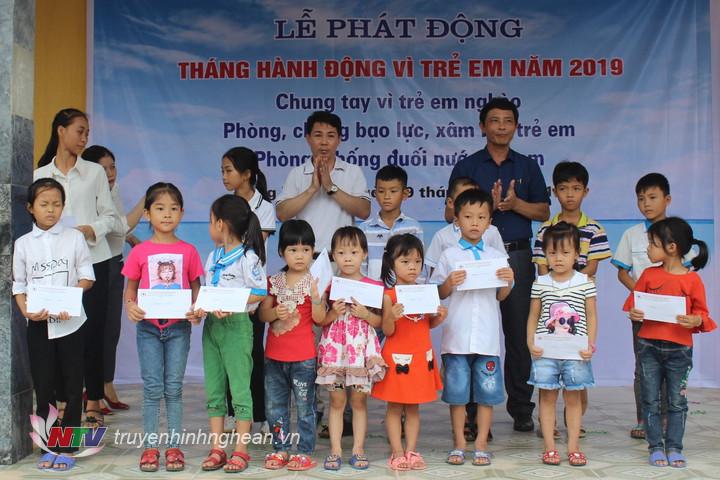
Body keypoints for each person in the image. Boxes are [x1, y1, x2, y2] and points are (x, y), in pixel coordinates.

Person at [448, 97, 550, 431]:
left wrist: (516, 204)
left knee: (518, 334)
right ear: (483, 126)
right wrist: (483, 209)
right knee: (475, 334)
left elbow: (543, 211)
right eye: (494, 120)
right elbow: (450, 213)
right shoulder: (467, 167)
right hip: (474, 257)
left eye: (508, 121)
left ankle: (521, 409)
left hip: (515, 256)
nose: (501, 127)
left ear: (516, 127)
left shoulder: (528, 167)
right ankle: (474, 414)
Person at [35, 108, 119, 428]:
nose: (84, 138)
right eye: (79, 131)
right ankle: (62, 404)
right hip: (55, 268)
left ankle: (93, 400)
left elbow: (110, 217)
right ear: (61, 131)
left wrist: (89, 229)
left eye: (87, 132)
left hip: (93, 261)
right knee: (58, 333)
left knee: (92, 334)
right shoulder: (40, 174)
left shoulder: (94, 173)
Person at [12, 179, 95, 472]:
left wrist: (69, 298)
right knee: (44, 386)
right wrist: (26, 310)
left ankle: (68, 446)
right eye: (44, 204)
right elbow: (19, 285)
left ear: (63, 206)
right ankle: (49, 446)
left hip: (71, 322)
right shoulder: (23, 244)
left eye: (57, 204)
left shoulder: (74, 238)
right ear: (30, 208)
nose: (51, 210)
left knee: (73, 386)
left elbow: (87, 276)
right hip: (38, 325)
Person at [122, 183, 203, 472]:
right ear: (147, 214)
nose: (167, 214)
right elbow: (130, 288)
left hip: (179, 328)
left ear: (181, 213)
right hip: (148, 329)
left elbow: (196, 288)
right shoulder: (139, 252)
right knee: (153, 388)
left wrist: (198, 309)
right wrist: (130, 305)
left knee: (174, 388)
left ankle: (174, 447)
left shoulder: (189, 251)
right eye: (160, 208)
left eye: (173, 208)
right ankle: (150, 448)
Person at [431, 189, 514, 467]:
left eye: (481, 217)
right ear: (457, 220)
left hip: (487, 339)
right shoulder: (449, 255)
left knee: (486, 395)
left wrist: (508, 281)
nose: (475, 222)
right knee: (457, 395)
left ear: (490, 221)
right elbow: (439, 293)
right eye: (468, 217)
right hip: (456, 337)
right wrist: (449, 282)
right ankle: (459, 443)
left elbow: (502, 296)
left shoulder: (496, 256)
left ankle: (480, 445)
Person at [625, 217, 715, 468]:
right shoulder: (648, 275)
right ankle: (655, 447)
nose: (648, 249)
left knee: (677, 400)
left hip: (680, 350)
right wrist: (635, 313)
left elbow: (703, 314)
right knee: (650, 399)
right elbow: (633, 305)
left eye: (653, 244)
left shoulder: (693, 280)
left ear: (672, 247)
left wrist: (695, 319)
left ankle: (674, 447)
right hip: (648, 347)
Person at [611, 173, 694, 440]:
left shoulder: (678, 232)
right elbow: (622, 272)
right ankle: (644, 419)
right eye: (640, 199)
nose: (646, 203)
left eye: (652, 197)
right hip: (643, 314)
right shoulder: (632, 234)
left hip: (674, 317)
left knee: (673, 367)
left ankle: (668, 418)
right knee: (644, 367)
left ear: (667, 199)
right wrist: (644, 295)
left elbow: (688, 274)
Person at [531, 161, 611, 437]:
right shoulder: (545, 229)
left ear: (585, 191)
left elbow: (592, 266)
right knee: (547, 367)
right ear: (554, 192)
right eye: (563, 188)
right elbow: (542, 267)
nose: (570, 194)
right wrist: (554, 286)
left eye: (576, 189)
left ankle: (575, 421)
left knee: (577, 368)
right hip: (549, 310)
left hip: (579, 305)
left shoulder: (595, 229)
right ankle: (548, 423)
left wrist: (570, 283)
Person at [192, 195, 267, 473]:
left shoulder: (248, 257)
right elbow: (208, 291)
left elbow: (260, 292)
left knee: (239, 389)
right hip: (212, 327)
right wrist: (200, 308)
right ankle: (217, 448)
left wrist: (230, 303)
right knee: (214, 388)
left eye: (211, 221)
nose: (210, 226)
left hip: (237, 327)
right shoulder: (213, 256)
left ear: (221, 224)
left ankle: (241, 450)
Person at [372, 234, 447, 471]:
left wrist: (438, 317)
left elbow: (427, 324)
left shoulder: (425, 292)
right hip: (397, 358)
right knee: (394, 406)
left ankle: (412, 451)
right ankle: (396, 452)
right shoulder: (389, 296)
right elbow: (387, 331)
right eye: (405, 262)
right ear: (391, 263)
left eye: (417, 261)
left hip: (420, 356)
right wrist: (391, 317)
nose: (412, 267)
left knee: (414, 406)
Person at [526, 222, 598, 467]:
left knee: (573, 399)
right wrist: (530, 342)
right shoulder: (540, 283)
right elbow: (534, 316)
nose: (558, 258)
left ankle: (573, 447)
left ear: (577, 254)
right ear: (545, 254)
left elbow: (591, 316)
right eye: (552, 252)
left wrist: (590, 345)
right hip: (546, 352)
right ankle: (549, 447)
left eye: (565, 252)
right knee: (547, 397)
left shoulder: (585, 282)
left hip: (576, 353)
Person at [316, 227, 386, 471]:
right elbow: (321, 320)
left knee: (358, 400)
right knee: (336, 400)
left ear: (364, 254)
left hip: (360, 352)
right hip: (335, 350)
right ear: (333, 255)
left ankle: (358, 448)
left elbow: (380, 323)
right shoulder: (329, 287)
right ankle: (335, 450)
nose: (347, 258)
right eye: (341, 252)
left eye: (354, 252)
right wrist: (332, 313)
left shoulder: (373, 287)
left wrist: (365, 314)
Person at [82, 145, 144, 414]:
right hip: (97, 264)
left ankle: (105, 385)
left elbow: (117, 227)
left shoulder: (113, 189)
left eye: (113, 166)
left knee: (111, 331)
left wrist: (128, 238)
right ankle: (92, 391)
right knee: (97, 331)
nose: (110, 173)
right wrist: (146, 201)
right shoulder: (90, 191)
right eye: (103, 168)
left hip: (115, 262)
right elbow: (120, 225)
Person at [258, 220, 325, 471]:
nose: (300, 255)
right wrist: (275, 312)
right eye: (293, 249)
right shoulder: (273, 281)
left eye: (306, 249)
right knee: (275, 407)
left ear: (313, 251)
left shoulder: (316, 281)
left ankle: (305, 451)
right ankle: (281, 449)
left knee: (305, 407)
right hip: (274, 357)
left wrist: (316, 299)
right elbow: (263, 315)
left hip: (304, 358)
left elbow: (320, 319)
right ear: (281, 252)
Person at [220, 146, 276, 431]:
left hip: (253, 293)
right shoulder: (224, 205)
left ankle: (260, 415)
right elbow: (221, 244)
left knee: (253, 354)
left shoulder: (265, 207)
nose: (224, 176)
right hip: (227, 291)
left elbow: (255, 246)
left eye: (229, 171)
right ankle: (233, 412)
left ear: (246, 174)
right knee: (230, 355)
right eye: (222, 171)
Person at [275, 111, 371, 252]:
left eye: (330, 136)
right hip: (306, 258)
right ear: (308, 138)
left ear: (339, 139)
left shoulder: (352, 171)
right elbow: (282, 214)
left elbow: (364, 211)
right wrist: (312, 189)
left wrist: (331, 187)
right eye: (318, 135)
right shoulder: (297, 173)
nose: (324, 142)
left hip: (343, 258)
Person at [358, 165, 423, 281]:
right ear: (375, 193)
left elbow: (419, 265)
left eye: (393, 191)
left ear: (405, 194)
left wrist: (415, 289)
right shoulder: (364, 229)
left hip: (404, 291)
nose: (387, 196)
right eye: (381, 191)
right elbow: (360, 267)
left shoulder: (414, 228)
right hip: (373, 289)